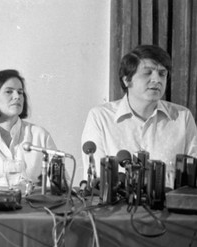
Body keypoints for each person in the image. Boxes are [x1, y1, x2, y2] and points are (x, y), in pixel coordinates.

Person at [81, 45, 197, 187]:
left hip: (169, 207)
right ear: (127, 80)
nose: (156, 80)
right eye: (147, 73)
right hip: (116, 208)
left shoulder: (182, 118)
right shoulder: (101, 117)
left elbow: (193, 179)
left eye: (162, 74)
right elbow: (96, 181)